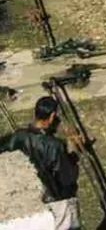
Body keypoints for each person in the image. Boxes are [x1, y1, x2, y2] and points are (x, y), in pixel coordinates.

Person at [0, 95, 79, 228]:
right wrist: (73, 153)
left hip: (28, 199)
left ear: (34, 113)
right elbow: (67, 179)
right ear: (52, 116)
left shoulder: (19, 136)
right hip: (55, 200)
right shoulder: (54, 145)